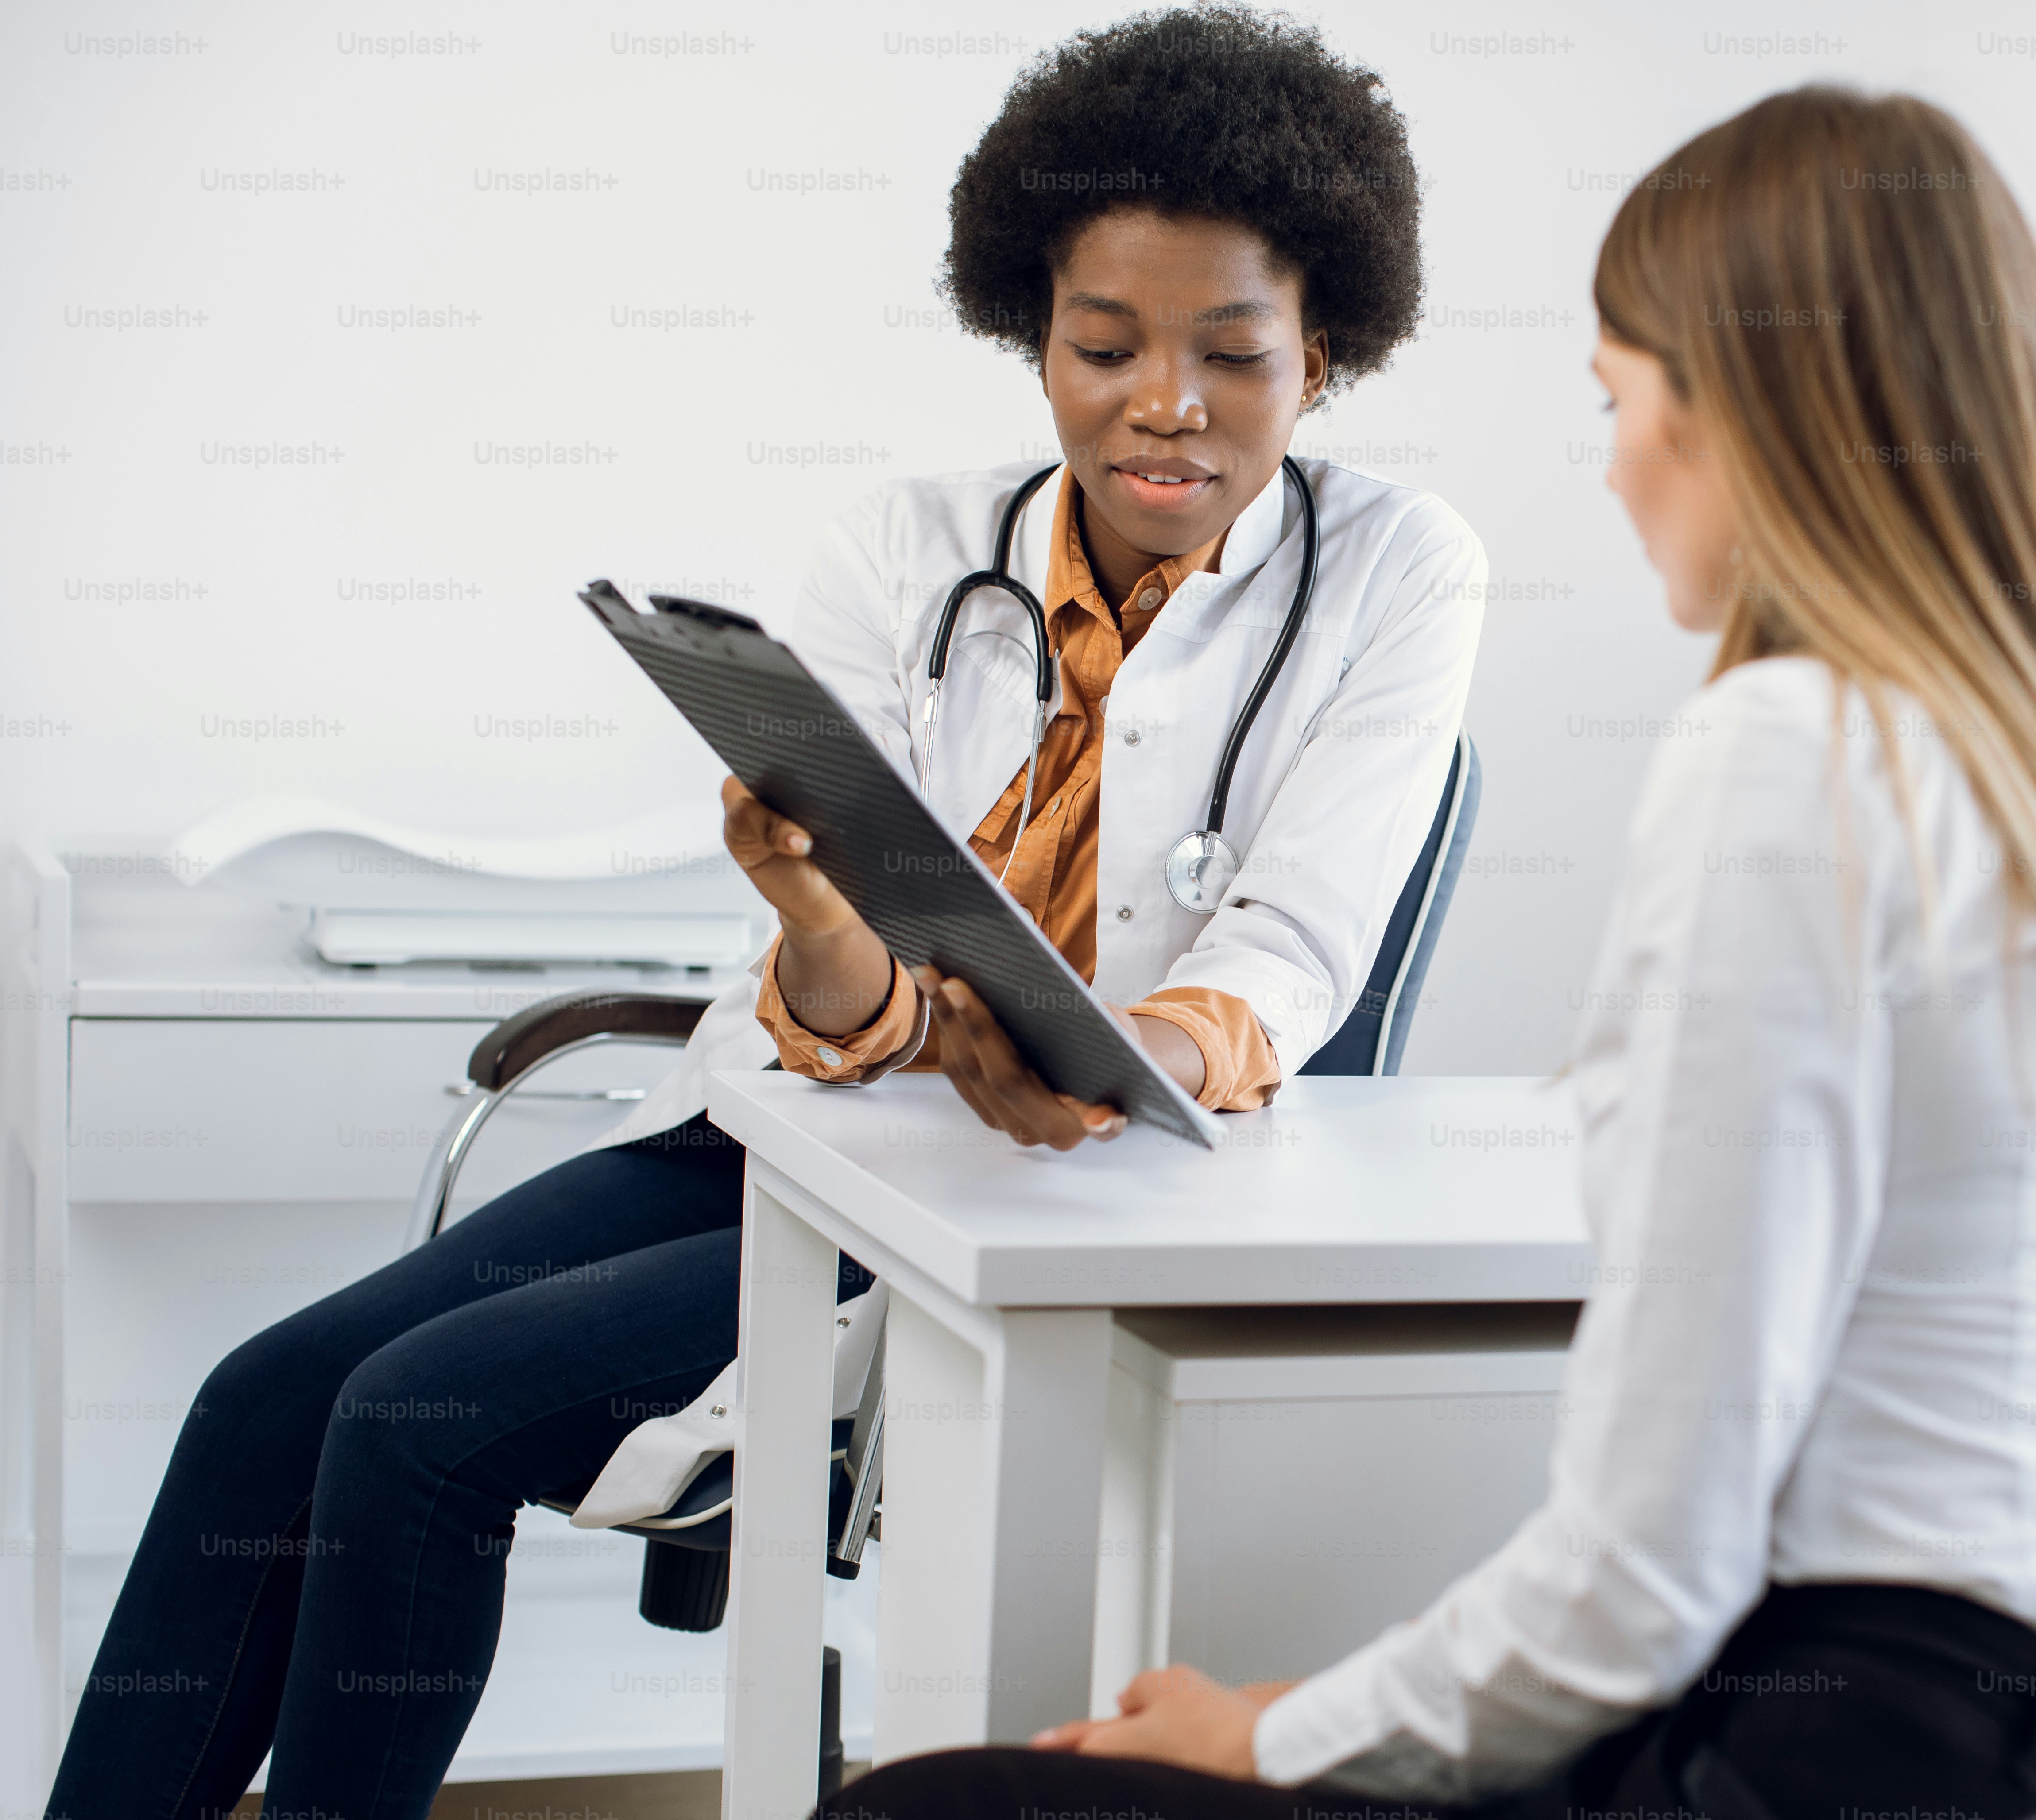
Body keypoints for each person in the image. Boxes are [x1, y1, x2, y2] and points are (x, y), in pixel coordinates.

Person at [47, 12, 1479, 1819]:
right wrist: (806, 900)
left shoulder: (1400, 573)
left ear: (1326, 352)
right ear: (1031, 338)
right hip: (799, 1137)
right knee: (267, 1396)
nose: (1163, 404)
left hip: (1044, 1188)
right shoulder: (914, 540)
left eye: (1233, 354)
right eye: (1102, 346)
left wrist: (1120, 1053)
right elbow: (844, 994)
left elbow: (1295, 944)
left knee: (412, 1428)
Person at [831, 84, 2036, 1820]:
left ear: (1752, 411)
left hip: (1851, 1748)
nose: (1613, 465)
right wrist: (1324, 1705)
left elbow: (1641, 1572)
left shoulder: (1802, 755)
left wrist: (1270, 1732)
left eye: (1624, 402)